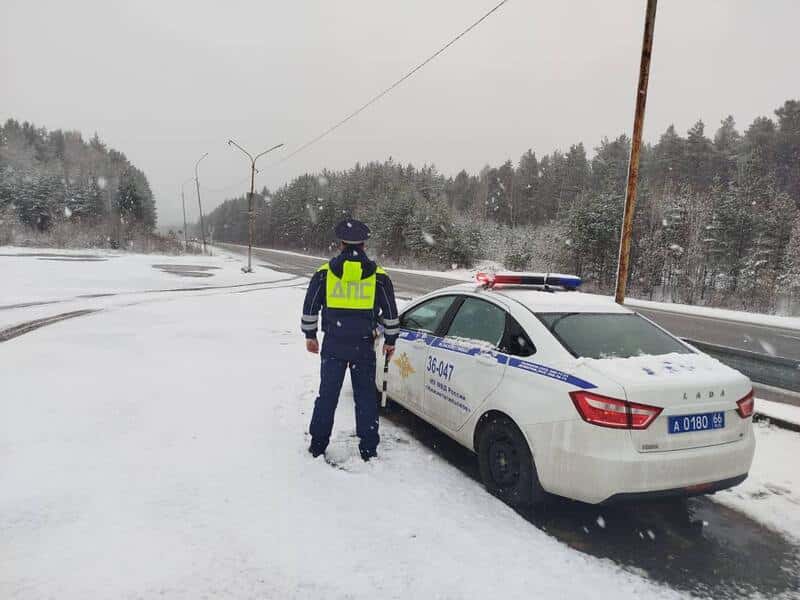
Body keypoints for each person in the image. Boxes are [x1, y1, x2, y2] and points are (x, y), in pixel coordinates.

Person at [301, 219, 399, 461]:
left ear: (341, 244)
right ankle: (368, 449)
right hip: (363, 347)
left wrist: (310, 336)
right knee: (365, 398)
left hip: (334, 345)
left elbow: (310, 307)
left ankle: (318, 445)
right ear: (364, 244)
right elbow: (390, 312)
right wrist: (390, 340)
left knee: (327, 396)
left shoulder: (324, 274)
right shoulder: (378, 276)